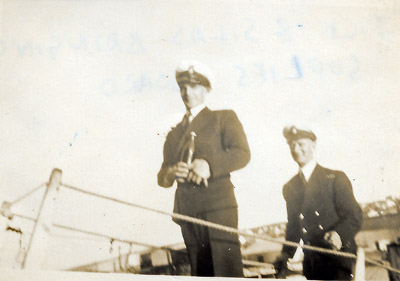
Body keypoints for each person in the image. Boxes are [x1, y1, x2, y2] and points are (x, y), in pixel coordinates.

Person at [157, 60, 251, 277]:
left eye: (193, 86)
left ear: (206, 89)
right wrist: (171, 172)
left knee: (225, 271)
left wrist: (209, 165)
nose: (187, 92)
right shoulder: (174, 134)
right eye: (183, 87)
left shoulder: (223, 118)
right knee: (201, 273)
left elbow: (242, 153)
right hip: (188, 212)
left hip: (219, 209)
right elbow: (162, 177)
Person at [273, 125, 363, 280]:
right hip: (313, 263)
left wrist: (339, 234)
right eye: (292, 145)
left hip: (338, 260)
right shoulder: (290, 187)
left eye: (301, 144)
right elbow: (294, 225)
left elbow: (354, 215)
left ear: (313, 146)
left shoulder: (335, 178)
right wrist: (285, 253)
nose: (296, 149)